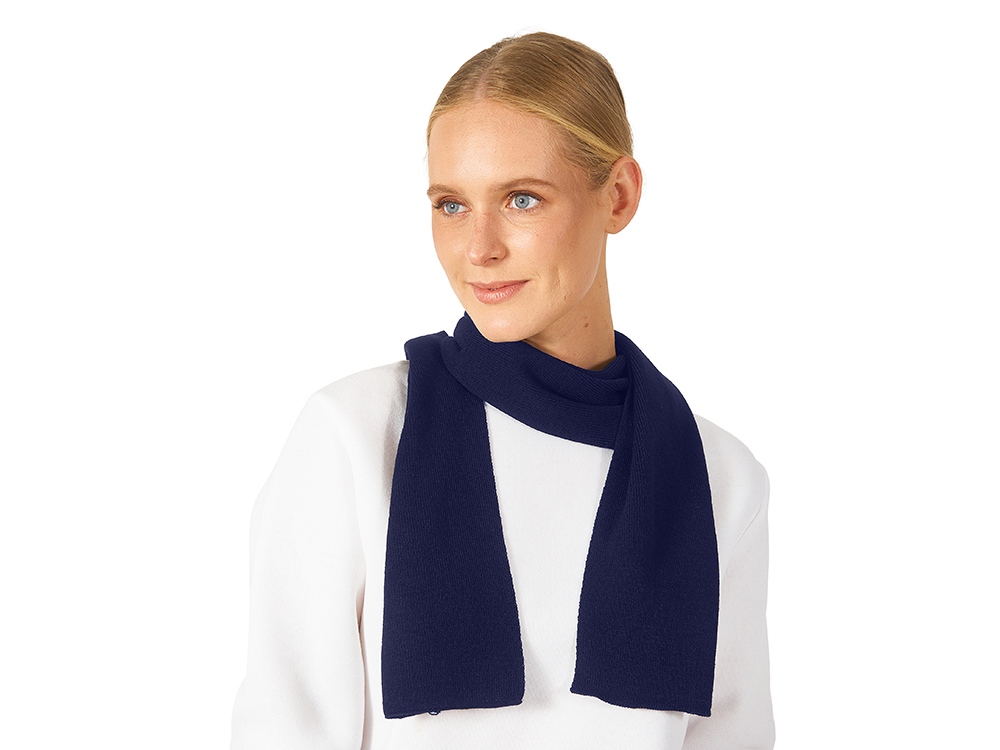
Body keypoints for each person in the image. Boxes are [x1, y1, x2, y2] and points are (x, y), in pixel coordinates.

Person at [231, 32, 774, 750]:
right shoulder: (356, 434)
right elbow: (282, 730)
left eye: (521, 199)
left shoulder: (719, 474)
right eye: (451, 205)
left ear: (618, 196)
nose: (479, 248)